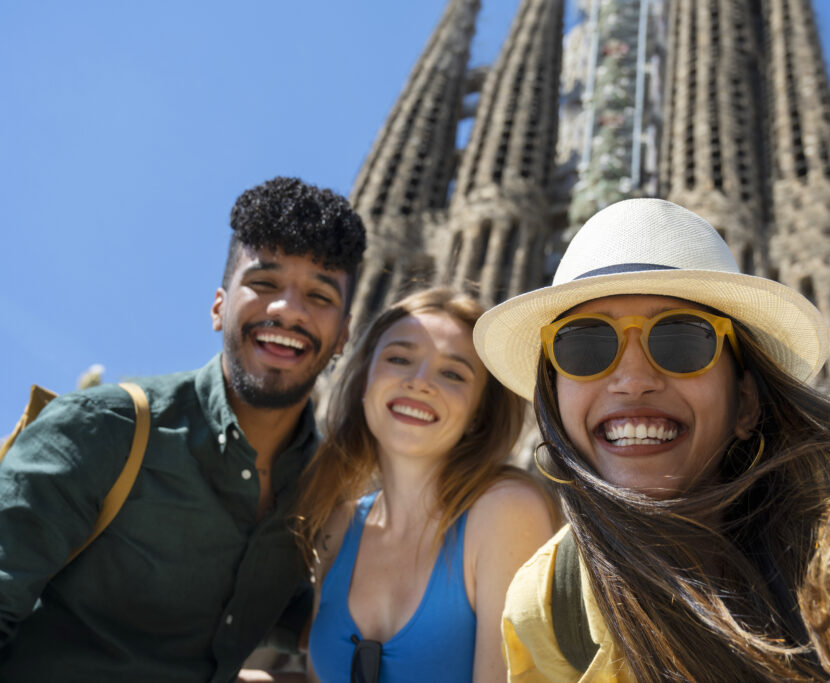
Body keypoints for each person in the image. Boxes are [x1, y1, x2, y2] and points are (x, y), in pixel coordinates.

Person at [473, 197, 830, 681]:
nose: (633, 378)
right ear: (554, 397)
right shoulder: (553, 598)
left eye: (683, 342)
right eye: (585, 348)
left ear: (747, 401)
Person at [0, 176, 366, 682]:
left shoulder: (321, 499)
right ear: (219, 306)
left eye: (320, 295)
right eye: (263, 284)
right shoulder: (107, 429)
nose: (288, 309)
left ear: (344, 335)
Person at [292, 287, 554, 683]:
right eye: (399, 359)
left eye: (452, 373)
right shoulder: (337, 524)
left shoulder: (504, 512)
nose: (419, 382)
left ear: (479, 414)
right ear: (365, 380)